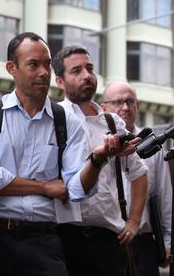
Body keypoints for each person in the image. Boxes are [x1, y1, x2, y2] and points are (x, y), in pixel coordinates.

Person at [0, 33, 127, 276]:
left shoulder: (67, 122)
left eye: (47, 64)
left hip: (44, 238)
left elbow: (74, 189)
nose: (44, 72)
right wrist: (44, 188)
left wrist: (97, 159)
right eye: (33, 64)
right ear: (12, 68)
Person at [53, 46, 148, 276]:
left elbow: (139, 172)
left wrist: (134, 221)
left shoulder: (112, 122)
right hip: (63, 238)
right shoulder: (53, 118)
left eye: (89, 68)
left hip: (108, 240)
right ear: (60, 81)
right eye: (76, 70)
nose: (86, 75)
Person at [101, 81, 173, 276]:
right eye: (117, 102)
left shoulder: (153, 145)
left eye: (129, 101)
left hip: (142, 244)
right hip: (104, 240)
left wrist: (168, 242)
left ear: (137, 105)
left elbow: (163, 194)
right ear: (103, 107)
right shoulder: (95, 142)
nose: (125, 107)